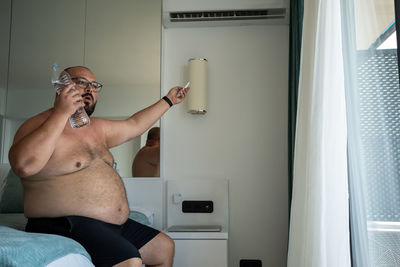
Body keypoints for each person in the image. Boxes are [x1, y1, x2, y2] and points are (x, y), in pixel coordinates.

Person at [8, 66, 189, 267]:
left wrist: (169, 100)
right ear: (61, 87)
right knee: (129, 261)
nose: (89, 89)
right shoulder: (36, 125)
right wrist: (61, 114)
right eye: (82, 82)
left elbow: (135, 124)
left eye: (94, 86)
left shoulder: (97, 128)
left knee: (164, 248)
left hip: (109, 225)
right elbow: (23, 166)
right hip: (64, 223)